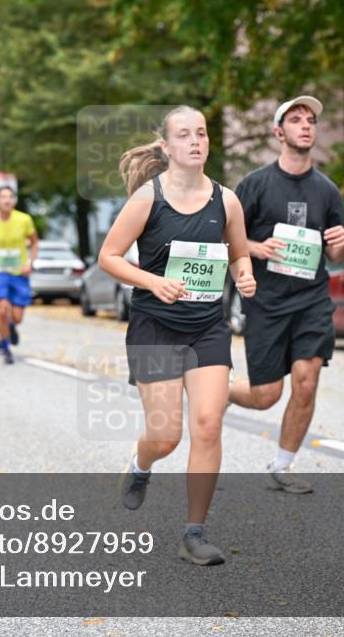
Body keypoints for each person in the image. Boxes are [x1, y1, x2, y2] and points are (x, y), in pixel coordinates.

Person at [99, 105, 256, 565]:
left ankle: (194, 532)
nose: (195, 141)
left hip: (207, 326)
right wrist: (152, 281)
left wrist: (244, 277)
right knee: (165, 436)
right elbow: (109, 256)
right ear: (166, 146)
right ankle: (140, 464)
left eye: (202, 134)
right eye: (184, 135)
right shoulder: (148, 199)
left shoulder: (226, 200)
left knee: (208, 423)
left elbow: (240, 255)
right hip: (156, 327)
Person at [230, 96, 344, 494]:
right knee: (265, 396)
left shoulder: (327, 191)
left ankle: (283, 464)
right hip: (265, 302)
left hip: (312, 299)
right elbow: (227, 237)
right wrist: (254, 247)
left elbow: (335, 253)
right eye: (296, 120)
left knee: (306, 379)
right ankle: (221, 391)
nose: (306, 125)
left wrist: (340, 241)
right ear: (278, 132)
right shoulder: (254, 185)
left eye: (311, 120)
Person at [0, 187, 40, 365]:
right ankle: (5, 347)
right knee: (2, 310)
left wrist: (30, 262)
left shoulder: (24, 219)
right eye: (3, 197)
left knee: (17, 317)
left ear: (14, 201)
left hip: (19, 272)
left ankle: (11, 327)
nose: (6, 201)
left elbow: (35, 242)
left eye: (10, 197)